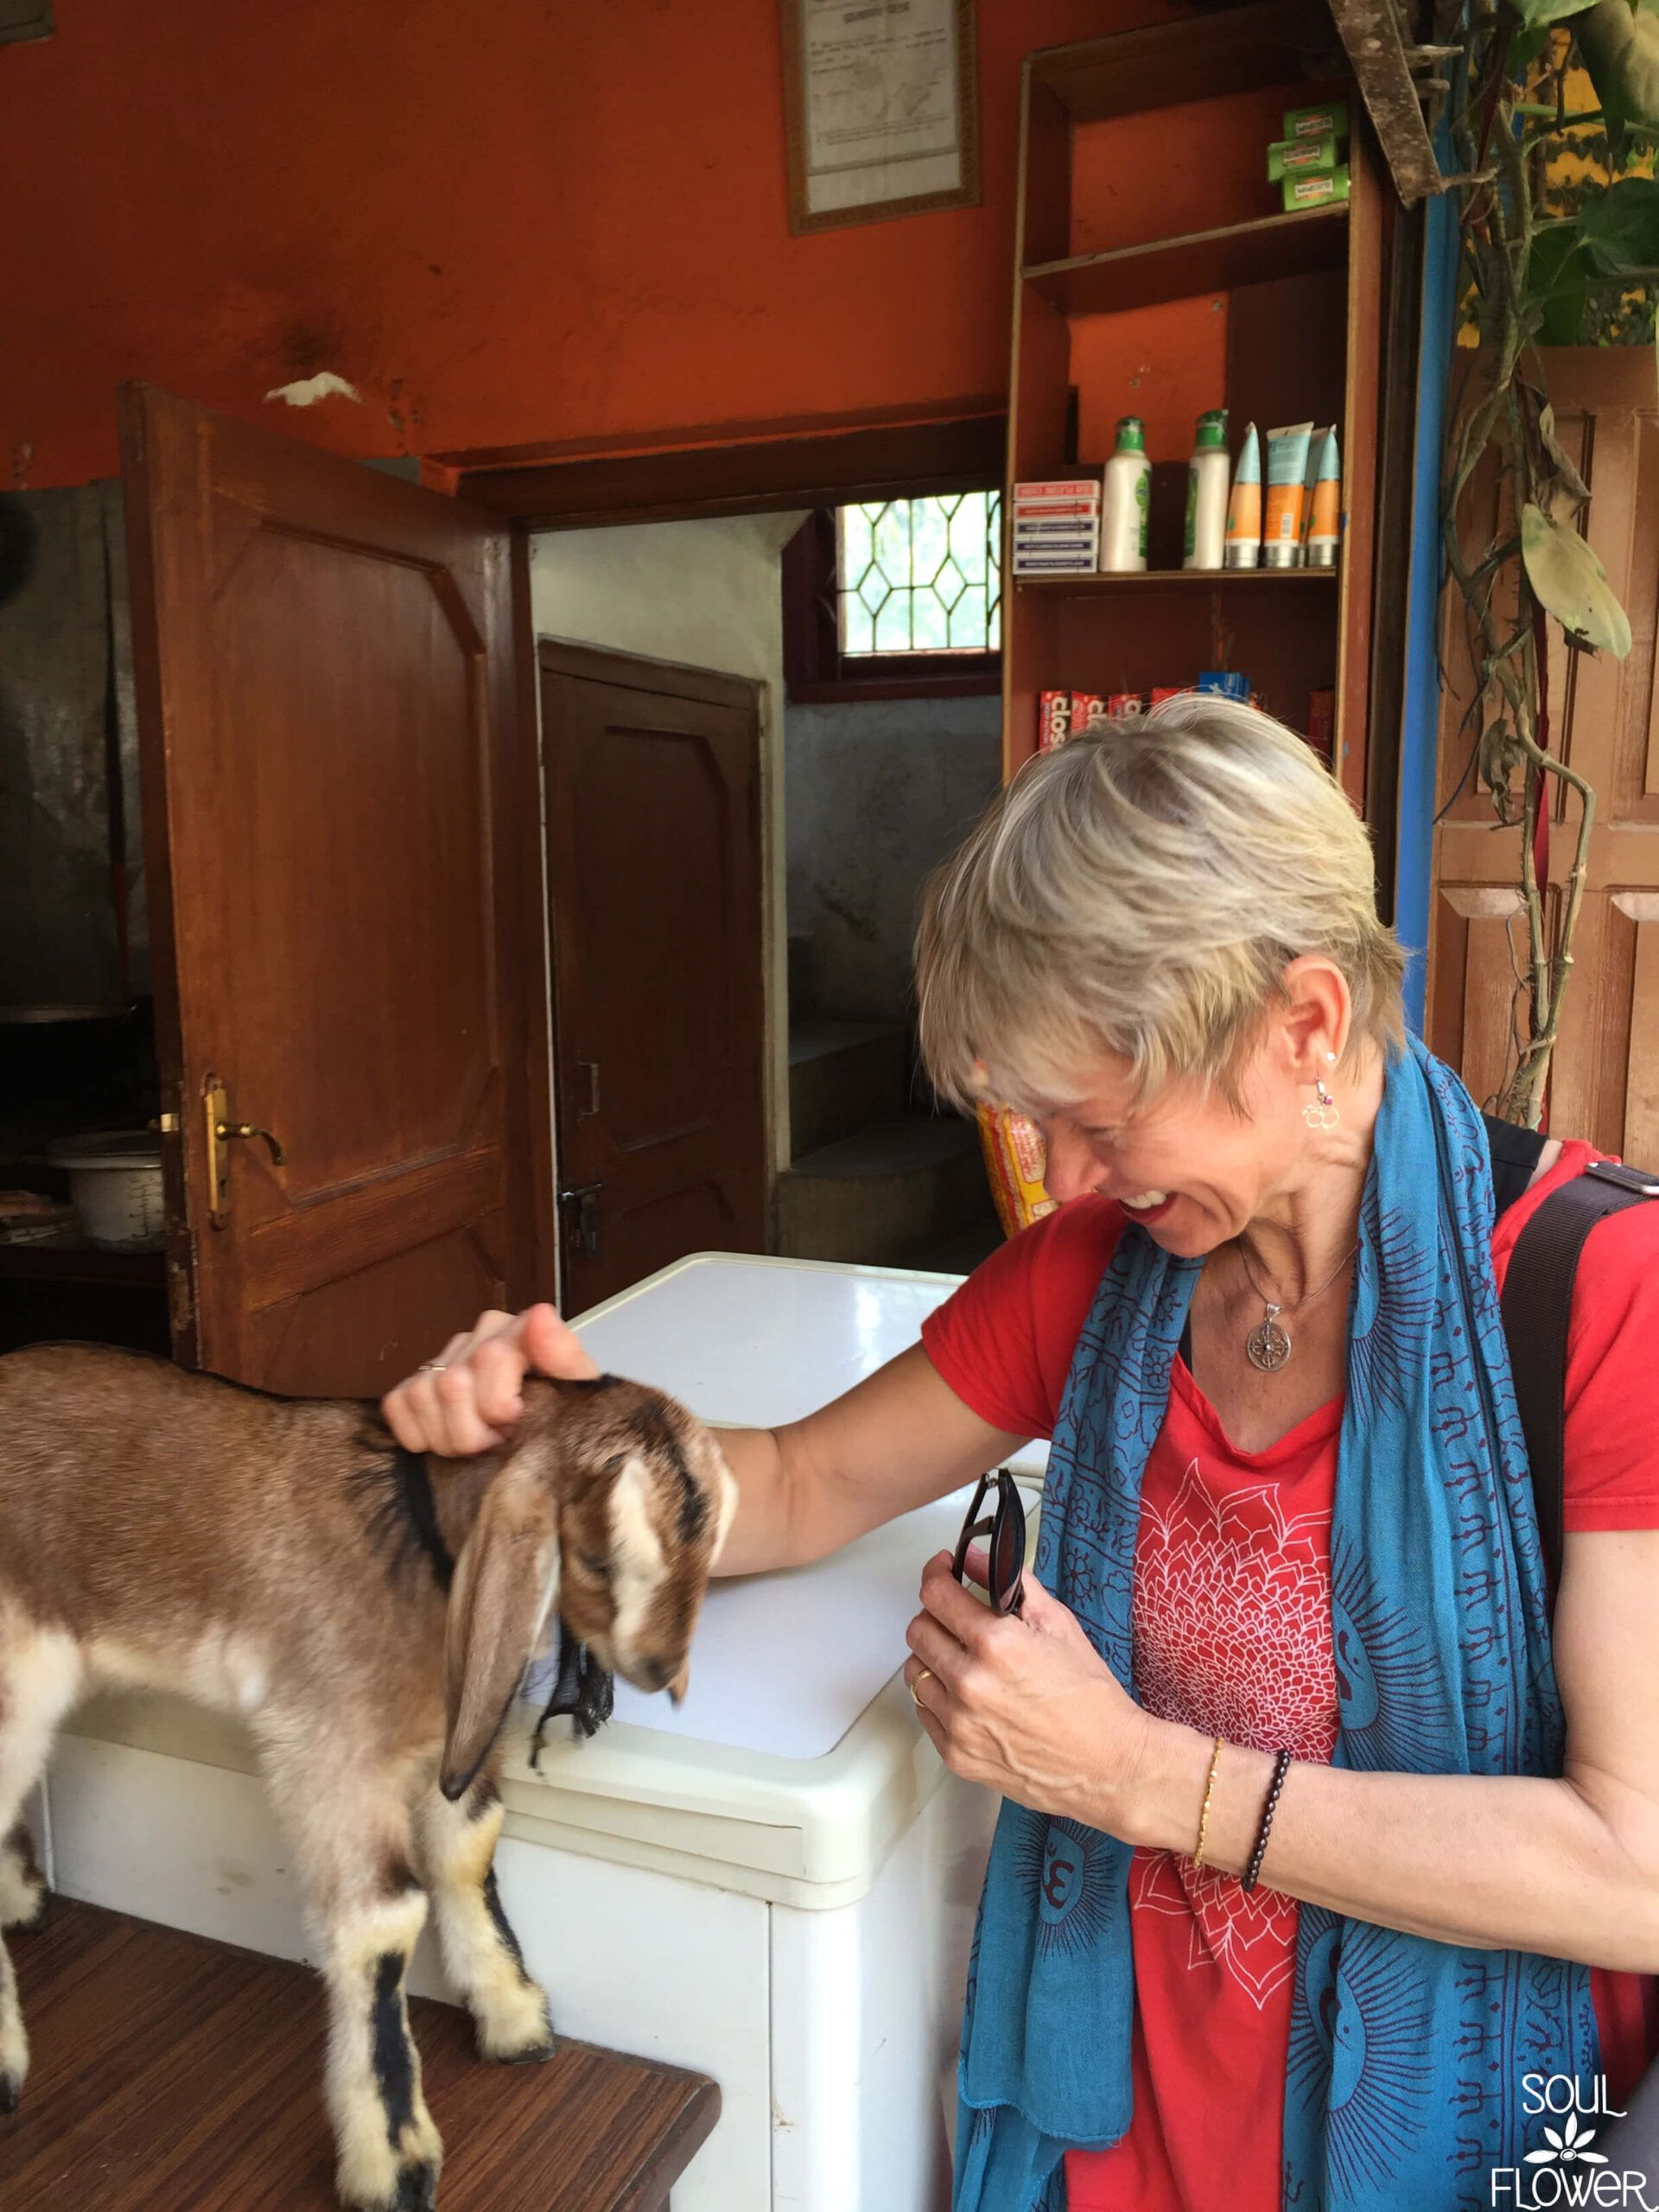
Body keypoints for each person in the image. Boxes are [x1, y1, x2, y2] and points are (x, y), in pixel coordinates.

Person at [384, 697, 1659, 2212]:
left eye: (1096, 1118)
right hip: (1118, 2112)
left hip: (1473, 2128)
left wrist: (1140, 1777)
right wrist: (553, 1440)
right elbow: (795, 1485)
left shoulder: (1596, 1297)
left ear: (1305, 1026)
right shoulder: (1105, 1277)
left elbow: (1631, 1866)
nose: (1061, 1179)